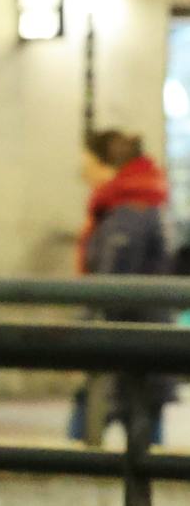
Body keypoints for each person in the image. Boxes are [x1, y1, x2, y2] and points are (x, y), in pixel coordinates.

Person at [72, 128, 173, 447]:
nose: (82, 172)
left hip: (126, 349)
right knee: (142, 444)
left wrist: (82, 341)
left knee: (89, 440)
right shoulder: (135, 207)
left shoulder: (127, 214)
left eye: (87, 162)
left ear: (107, 166)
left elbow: (110, 288)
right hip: (138, 348)